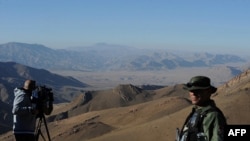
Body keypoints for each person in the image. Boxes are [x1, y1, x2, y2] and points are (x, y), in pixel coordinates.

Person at [178, 76, 227, 141]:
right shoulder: (196, 112)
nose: (193, 94)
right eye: (191, 91)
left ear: (208, 92)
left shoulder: (213, 116)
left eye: (197, 91)